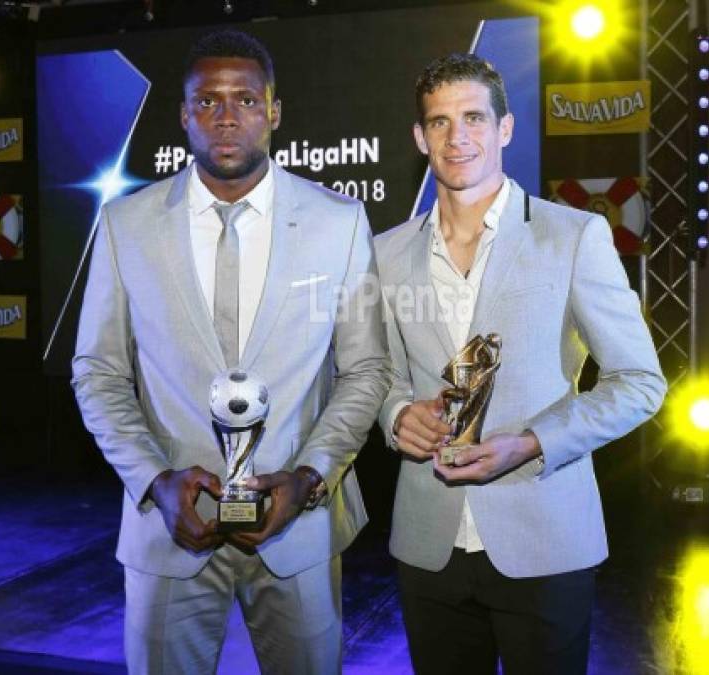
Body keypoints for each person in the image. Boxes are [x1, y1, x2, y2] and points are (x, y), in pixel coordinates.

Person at [72, 29, 388, 675]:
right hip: (168, 530)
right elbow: (98, 372)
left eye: (244, 99)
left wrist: (306, 480)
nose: (226, 116)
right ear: (184, 115)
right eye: (207, 101)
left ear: (273, 111)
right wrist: (156, 483)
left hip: (297, 528)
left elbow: (365, 370)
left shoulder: (339, 221)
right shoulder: (125, 224)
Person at [375, 53, 667, 675]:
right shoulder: (385, 253)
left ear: (505, 128)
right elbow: (377, 373)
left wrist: (532, 442)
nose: (458, 138)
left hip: (546, 535)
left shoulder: (573, 237)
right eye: (440, 122)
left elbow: (640, 383)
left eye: (474, 117)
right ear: (419, 137)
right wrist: (397, 414)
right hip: (428, 541)